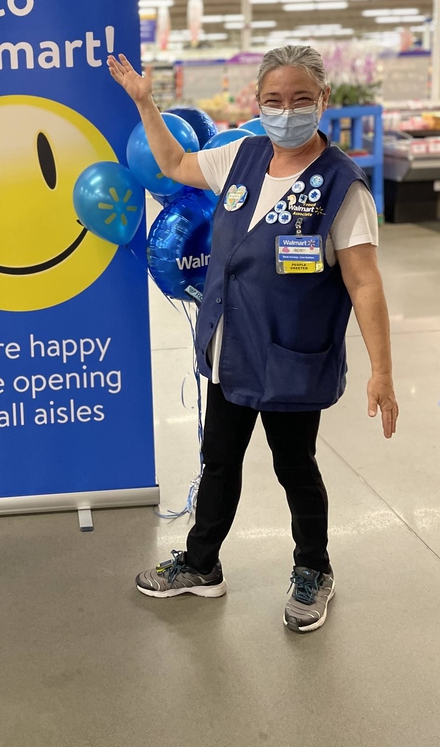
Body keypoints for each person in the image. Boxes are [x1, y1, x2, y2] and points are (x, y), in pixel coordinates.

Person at [107, 44, 398, 633]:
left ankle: (313, 570)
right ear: (257, 104)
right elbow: (172, 166)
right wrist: (145, 104)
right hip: (229, 350)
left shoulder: (343, 187)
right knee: (219, 462)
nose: (285, 111)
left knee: (295, 466)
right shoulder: (241, 157)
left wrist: (381, 370)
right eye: (273, 100)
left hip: (290, 356)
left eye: (299, 100)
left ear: (322, 101)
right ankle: (201, 564)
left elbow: (365, 283)